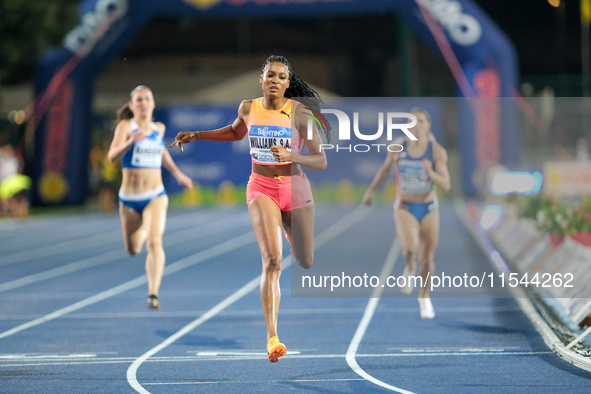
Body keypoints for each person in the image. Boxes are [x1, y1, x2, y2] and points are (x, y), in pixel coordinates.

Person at [171, 55, 330, 362]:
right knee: (272, 261)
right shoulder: (248, 107)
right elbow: (235, 131)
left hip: (295, 189)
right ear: (261, 79)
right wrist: (197, 135)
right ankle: (273, 338)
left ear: (287, 83)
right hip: (261, 188)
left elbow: (320, 161)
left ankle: (286, 230)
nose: (274, 80)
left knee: (305, 260)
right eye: (270, 75)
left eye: (281, 77)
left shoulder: (299, 115)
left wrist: (289, 155)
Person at [108, 85, 193, 310]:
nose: (143, 103)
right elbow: (111, 157)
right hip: (129, 199)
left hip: (155, 195)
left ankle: (152, 293)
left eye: (147, 99)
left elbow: (161, 151)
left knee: (155, 241)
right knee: (133, 248)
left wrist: (178, 174)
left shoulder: (159, 128)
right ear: (132, 105)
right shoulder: (126, 127)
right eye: (139, 100)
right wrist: (130, 142)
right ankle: (144, 227)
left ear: (153, 104)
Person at [362, 108, 450, 319]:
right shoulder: (398, 147)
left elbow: (446, 184)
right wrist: (371, 191)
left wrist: (430, 173)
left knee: (427, 259)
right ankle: (410, 267)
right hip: (405, 206)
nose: (416, 126)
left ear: (428, 125)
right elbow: (385, 170)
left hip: (429, 207)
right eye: (412, 122)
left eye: (421, 122)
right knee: (410, 248)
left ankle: (424, 296)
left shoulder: (436, 151)